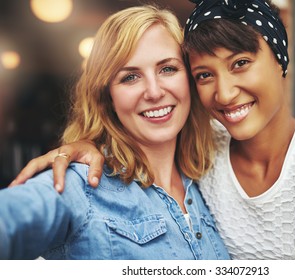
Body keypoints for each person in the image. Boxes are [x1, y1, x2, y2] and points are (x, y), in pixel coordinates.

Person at [10, 0, 295, 260]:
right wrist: (86, 144)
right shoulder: (86, 183)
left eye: (240, 62)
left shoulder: (211, 164)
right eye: (205, 75)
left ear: (281, 60)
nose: (223, 93)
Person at [0, 5, 230, 260]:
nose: (154, 92)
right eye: (130, 77)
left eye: (168, 69)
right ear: (107, 97)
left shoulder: (209, 181)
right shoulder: (81, 184)